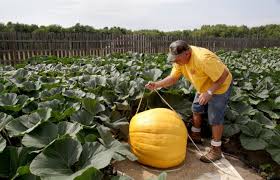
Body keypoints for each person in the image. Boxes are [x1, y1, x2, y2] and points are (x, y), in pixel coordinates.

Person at [145, 40, 233, 163]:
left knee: (215, 118)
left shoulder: (203, 59)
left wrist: (209, 92)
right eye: (174, 59)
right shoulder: (180, 60)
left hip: (220, 86)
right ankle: (196, 136)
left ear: (187, 54)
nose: (175, 62)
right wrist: (157, 84)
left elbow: (224, 75)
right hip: (202, 85)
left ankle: (216, 150)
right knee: (196, 109)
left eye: (177, 59)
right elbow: (173, 77)